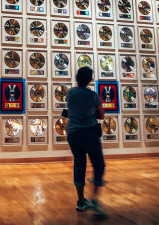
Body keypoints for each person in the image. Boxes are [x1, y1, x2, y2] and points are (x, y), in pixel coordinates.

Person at [66, 66, 106, 216]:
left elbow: (71, 109)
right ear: (90, 79)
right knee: (98, 164)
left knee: (79, 164)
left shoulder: (70, 93)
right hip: (88, 133)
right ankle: (95, 199)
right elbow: (101, 116)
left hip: (72, 133)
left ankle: (81, 200)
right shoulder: (93, 95)